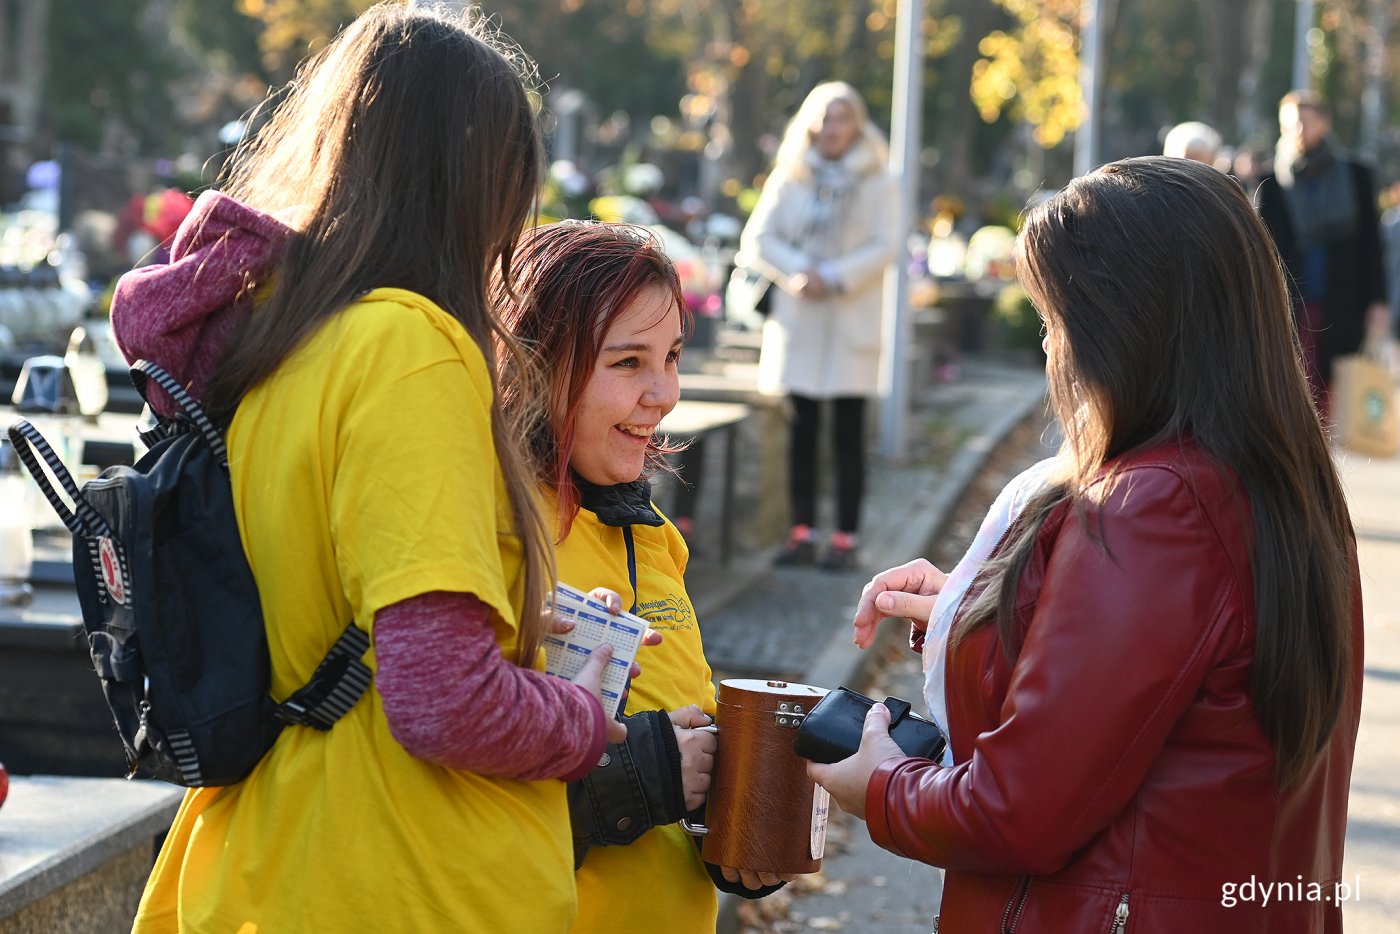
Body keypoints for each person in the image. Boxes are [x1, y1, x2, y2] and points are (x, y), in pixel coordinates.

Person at [109, 5, 630, 930]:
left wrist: (497, 598)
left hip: (275, 858)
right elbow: (439, 702)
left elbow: (334, 602)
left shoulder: (285, 346)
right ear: (477, 182)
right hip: (398, 876)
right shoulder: (410, 351)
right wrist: (580, 717)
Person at [811, 157, 1363, 932]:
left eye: (1054, 323)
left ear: (1120, 332)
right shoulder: (1286, 485)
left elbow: (1015, 810)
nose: (1048, 352)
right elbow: (1185, 706)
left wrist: (882, 782)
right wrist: (993, 606)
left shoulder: (1155, 506)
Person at [494, 221, 791, 933]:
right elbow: (448, 798)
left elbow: (679, 727)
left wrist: (736, 816)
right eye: (627, 363)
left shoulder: (653, 537)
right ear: (537, 365)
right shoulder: (486, 531)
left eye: (674, 357)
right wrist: (646, 776)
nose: (663, 393)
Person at [737, 81, 899, 571]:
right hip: (801, 321)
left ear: (857, 124)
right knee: (800, 434)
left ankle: (846, 537)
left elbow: (886, 245)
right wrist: (798, 272)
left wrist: (833, 275)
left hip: (851, 321)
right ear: (811, 123)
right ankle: (801, 532)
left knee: (849, 436)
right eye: (825, 118)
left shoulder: (881, 181)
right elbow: (758, 238)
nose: (832, 128)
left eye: (842, 118)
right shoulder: (791, 176)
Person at [1256, 90, 1389, 417]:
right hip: (1292, 298)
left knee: (1338, 387)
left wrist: (1378, 301)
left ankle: (1327, 457)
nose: (1298, 129)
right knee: (1296, 384)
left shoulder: (1356, 175)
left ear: (1325, 123)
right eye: (1290, 123)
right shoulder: (1271, 182)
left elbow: (1372, 244)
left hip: (1344, 297)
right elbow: (1262, 248)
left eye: (1305, 120)